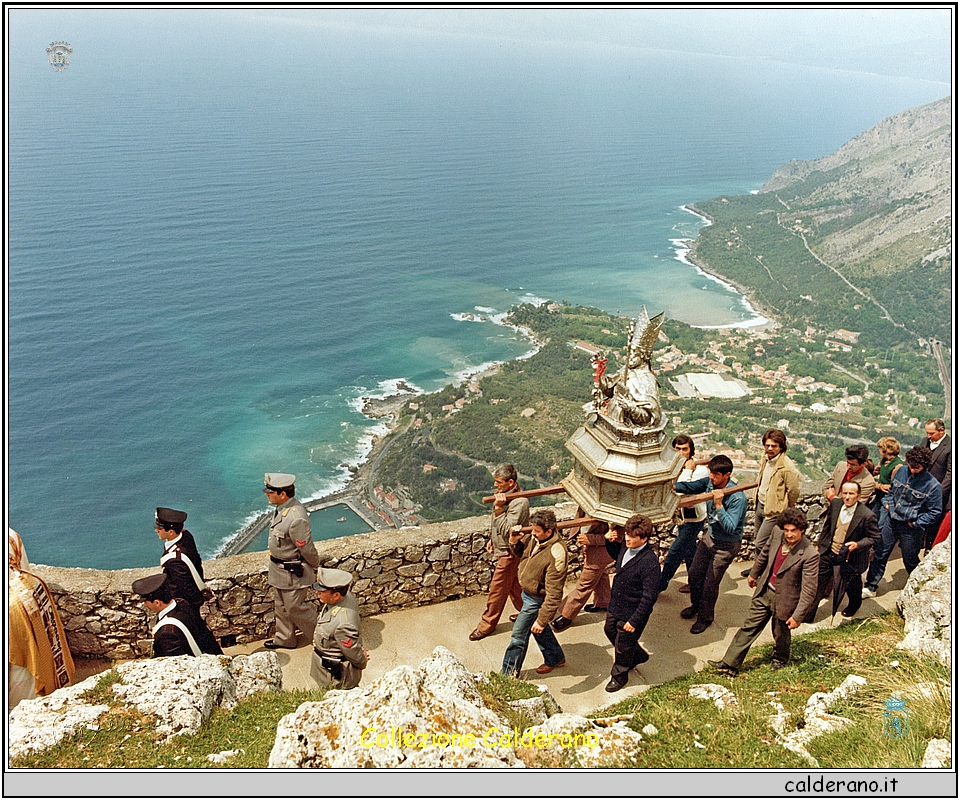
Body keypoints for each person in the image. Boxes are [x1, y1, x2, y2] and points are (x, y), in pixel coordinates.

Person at [708, 508, 819, 675]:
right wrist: (754, 574)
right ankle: (730, 663)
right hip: (765, 591)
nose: (789, 535)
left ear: (802, 530)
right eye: (786, 530)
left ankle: (780, 658)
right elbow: (764, 554)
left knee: (780, 633)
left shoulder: (809, 554)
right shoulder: (776, 532)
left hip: (786, 600)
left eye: (793, 531)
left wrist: (797, 616)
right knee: (749, 627)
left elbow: (809, 590)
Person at [675, 454, 748, 634]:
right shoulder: (710, 483)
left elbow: (731, 527)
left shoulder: (738, 498)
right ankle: (695, 606)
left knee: (710, 583)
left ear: (727, 475)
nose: (712, 478)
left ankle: (705, 618)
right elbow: (692, 487)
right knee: (695, 574)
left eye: (716, 475)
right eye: (711, 474)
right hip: (710, 538)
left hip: (726, 545)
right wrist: (673, 486)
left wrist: (718, 505)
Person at [9, 529, 76, 710]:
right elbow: (23, 563)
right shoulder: (10, 534)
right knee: (45, 646)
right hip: (29, 590)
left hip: (11, 606)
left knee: (19, 669)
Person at [863, 446, 942, 598]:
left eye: (916, 468)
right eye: (911, 466)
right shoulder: (901, 471)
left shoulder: (933, 486)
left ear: (925, 466)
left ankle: (920, 587)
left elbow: (935, 512)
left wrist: (916, 523)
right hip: (892, 521)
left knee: (910, 558)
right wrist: (887, 505)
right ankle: (870, 586)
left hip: (911, 528)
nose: (912, 470)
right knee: (880, 553)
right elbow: (892, 492)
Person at [501, 508, 568, 678]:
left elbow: (554, 594)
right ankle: (555, 658)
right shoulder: (535, 538)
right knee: (538, 629)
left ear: (549, 531)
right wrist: (514, 542)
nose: (533, 533)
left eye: (537, 531)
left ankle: (508, 675)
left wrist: (543, 619)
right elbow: (521, 555)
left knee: (518, 636)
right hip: (528, 594)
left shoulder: (557, 552)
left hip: (536, 599)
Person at [602, 514, 661, 692]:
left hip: (632, 612)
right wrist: (609, 542)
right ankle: (637, 655)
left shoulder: (650, 563)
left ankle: (619, 676)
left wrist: (634, 621)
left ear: (644, 539)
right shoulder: (625, 547)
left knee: (623, 645)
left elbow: (649, 597)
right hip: (616, 605)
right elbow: (617, 557)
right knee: (609, 630)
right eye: (626, 533)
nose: (627, 537)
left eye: (632, 536)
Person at [470, 464, 528, 641]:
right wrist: (492, 540)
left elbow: (508, 529)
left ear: (510, 482)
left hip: (510, 552)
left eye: (498, 482)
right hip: (503, 547)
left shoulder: (519, 502)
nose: (496, 486)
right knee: (513, 586)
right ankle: (529, 614)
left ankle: (486, 625)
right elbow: (496, 525)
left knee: (497, 589)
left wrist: (498, 508)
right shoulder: (505, 497)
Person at [806, 482, 879, 621]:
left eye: (851, 494)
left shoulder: (867, 515)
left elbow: (874, 537)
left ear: (858, 496)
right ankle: (809, 614)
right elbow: (827, 527)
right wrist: (820, 545)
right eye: (844, 493)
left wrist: (857, 544)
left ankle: (854, 604)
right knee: (818, 582)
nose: (847, 497)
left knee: (851, 583)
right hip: (829, 551)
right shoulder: (836, 504)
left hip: (849, 557)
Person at [263, 473, 320, 650]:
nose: (267, 494)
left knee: (296, 608)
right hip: (279, 569)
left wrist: (316, 566)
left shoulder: (296, 517)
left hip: (292, 572)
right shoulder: (283, 509)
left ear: (283, 494)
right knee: (281, 607)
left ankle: (324, 638)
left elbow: (307, 548)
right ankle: (285, 639)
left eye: (270, 491)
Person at [741, 429, 800, 577]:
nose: (770, 449)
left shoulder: (787, 467)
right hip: (760, 504)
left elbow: (794, 490)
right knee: (757, 538)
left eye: (774, 446)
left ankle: (765, 571)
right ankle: (757, 569)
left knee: (761, 543)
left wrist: (785, 505)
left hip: (774, 510)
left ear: (781, 447)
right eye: (767, 445)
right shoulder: (765, 458)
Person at [658, 434, 709, 593]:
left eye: (684, 449)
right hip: (681, 517)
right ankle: (695, 582)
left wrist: (687, 470)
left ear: (690, 450)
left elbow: (682, 491)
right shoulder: (673, 468)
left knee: (674, 552)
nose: (681, 452)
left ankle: (660, 585)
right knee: (689, 550)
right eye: (677, 449)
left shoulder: (700, 470)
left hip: (694, 518)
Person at [131, 573, 222, 657]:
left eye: (146, 602)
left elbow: (175, 663)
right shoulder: (182, 602)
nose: (144, 605)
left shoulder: (167, 633)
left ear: (157, 602)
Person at [310, 567, 369, 690]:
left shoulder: (343, 623)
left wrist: (362, 659)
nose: (317, 593)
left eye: (322, 591)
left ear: (336, 595)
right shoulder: (342, 597)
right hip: (325, 668)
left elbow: (352, 652)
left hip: (335, 676)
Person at [550, 517, 612, 633]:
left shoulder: (612, 510)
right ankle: (604, 602)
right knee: (600, 576)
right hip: (591, 550)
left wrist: (591, 539)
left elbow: (618, 536)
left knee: (584, 586)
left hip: (599, 552)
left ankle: (566, 616)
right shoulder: (588, 504)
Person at [155, 507, 210, 609]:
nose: (156, 530)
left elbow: (185, 587)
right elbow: (197, 561)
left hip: (183, 603)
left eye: (160, 529)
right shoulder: (186, 535)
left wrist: (195, 603)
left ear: (171, 532)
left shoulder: (175, 560)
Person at [922, 419, 951, 549]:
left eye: (932, 433)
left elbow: (950, 474)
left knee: (934, 523)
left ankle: (929, 548)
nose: (929, 436)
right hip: (922, 489)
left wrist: (938, 492)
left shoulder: (951, 446)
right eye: (927, 433)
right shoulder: (925, 442)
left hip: (939, 493)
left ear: (942, 431)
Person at [872, 437, 903, 516]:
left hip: (887, 498)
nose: (879, 451)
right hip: (879, 495)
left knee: (881, 521)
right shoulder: (884, 460)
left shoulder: (897, 465)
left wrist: (879, 486)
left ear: (886, 450)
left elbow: (894, 486)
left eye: (880, 449)